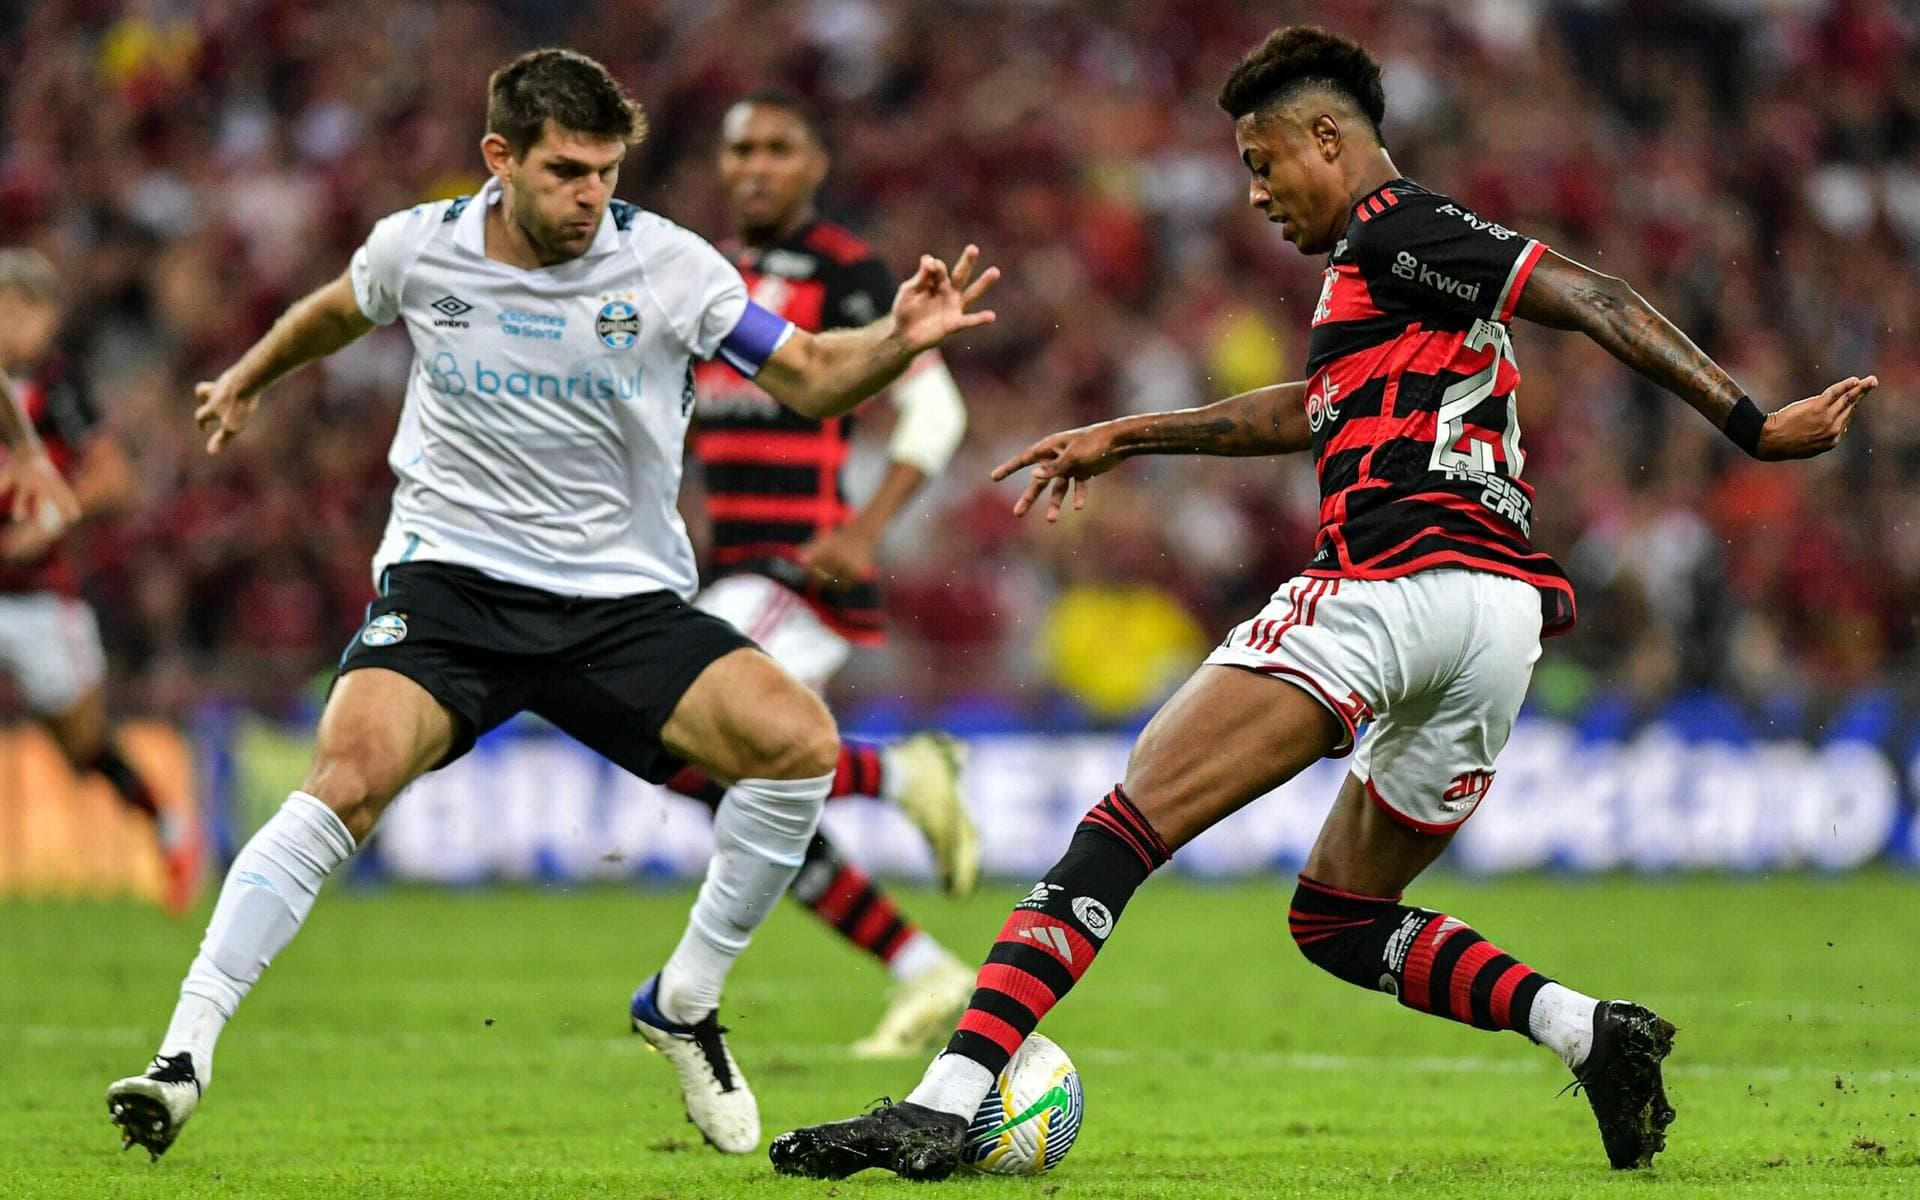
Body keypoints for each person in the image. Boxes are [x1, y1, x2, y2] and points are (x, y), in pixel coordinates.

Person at [770, 25, 1872, 1180]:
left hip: (1391, 585)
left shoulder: (1395, 227)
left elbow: (1592, 294)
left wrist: (1752, 423)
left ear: (1328, 138)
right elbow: (1312, 408)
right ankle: (1589, 1032)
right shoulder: (1393, 284)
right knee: (1338, 918)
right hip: (1497, 623)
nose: (1253, 192)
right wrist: (1131, 437)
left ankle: (945, 1104)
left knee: (1121, 829)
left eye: (1261, 160)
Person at [104, 48, 997, 1162]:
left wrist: (894, 344)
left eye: (608, 172)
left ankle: (681, 1002)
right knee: (346, 780)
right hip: (451, 588)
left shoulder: (670, 266)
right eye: (570, 171)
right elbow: (340, 310)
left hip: (617, 604)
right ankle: (182, 1056)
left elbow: (811, 373)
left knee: (797, 745)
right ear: (500, 159)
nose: (594, 197)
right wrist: (248, 375)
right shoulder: (420, 248)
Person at [665, 89, 977, 1059]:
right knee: (740, 791)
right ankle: (923, 969)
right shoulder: (709, 280)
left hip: (805, 572)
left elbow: (937, 415)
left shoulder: (845, 274)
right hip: (736, 575)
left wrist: (867, 530)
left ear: (813, 166)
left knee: (678, 723)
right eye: (739, 148)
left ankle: (899, 773)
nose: (755, 164)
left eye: (777, 148)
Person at [0, 250, 197, 914]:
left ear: (50, 318)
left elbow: (116, 479)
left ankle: (167, 824)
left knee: (82, 747)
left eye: (22, 307)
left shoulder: (59, 391)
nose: (9, 321)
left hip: (36, 597)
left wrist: (55, 515)